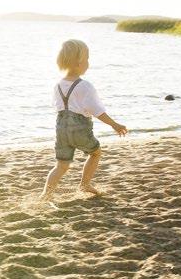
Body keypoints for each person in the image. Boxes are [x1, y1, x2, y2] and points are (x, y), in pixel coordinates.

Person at [41, 40, 128, 199]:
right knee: (95, 153)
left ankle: (46, 194)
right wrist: (114, 124)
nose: (88, 63)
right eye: (87, 59)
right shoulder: (85, 86)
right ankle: (85, 184)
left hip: (61, 130)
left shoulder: (58, 85)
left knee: (61, 166)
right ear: (78, 62)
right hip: (79, 130)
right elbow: (97, 111)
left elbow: (58, 107)